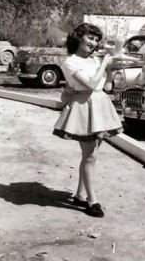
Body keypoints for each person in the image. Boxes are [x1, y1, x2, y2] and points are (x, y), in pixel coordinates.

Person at [53, 23, 123, 217]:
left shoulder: (94, 61)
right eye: (90, 38)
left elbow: (107, 87)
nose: (93, 43)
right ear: (78, 38)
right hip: (84, 108)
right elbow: (91, 84)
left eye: (96, 40)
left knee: (90, 156)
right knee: (90, 156)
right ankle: (92, 200)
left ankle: (79, 194)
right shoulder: (70, 62)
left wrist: (109, 68)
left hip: (100, 106)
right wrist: (103, 64)